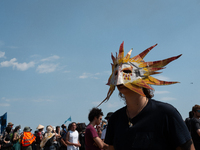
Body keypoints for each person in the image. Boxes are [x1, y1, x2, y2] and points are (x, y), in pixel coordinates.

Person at [98, 42, 195, 150]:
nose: (119, 77)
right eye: (116, 73)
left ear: (142, 77)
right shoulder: (115, 119)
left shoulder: (166, 113)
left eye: (126, 71)